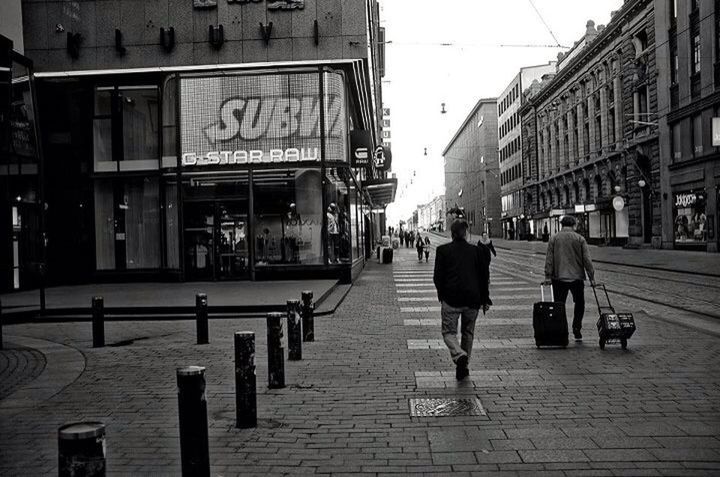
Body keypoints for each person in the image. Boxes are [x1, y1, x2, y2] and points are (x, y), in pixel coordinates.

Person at [433, 219, 492, 381]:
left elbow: (437, 277)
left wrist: (442, 295)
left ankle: (459, 355)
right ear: (466, 233)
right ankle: (463, 367)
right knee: (468, 333)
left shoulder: (442, 251)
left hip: (450, 299)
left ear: (452, 234)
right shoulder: (476, 251)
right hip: (472, 300)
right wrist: (485, 299)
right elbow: (484, 277)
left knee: (448, 333)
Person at [543, 215, 596, 341]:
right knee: (580, 303)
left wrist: (547, 276)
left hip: (559, 278)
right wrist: (592, 277)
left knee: (559, 305)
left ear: (561, 224)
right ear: (573, 225)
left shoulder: (554, 238)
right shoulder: (579, 239)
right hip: (576, 278)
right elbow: (587, 260)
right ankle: (577, 328)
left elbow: (549, 259)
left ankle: (563, 330)